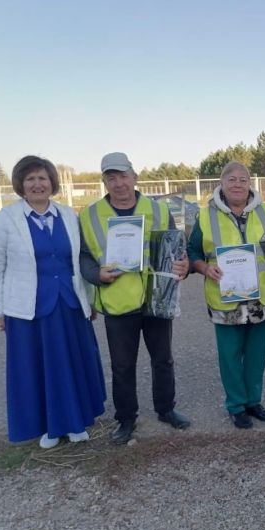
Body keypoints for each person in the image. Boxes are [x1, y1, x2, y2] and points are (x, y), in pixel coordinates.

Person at [0, 155, 106, 449]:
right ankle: (50, 427)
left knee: (72, 363)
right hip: (30, 310)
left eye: (42, 178)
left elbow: (78, 261)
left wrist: (89, 302)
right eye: (30, 179)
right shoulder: (5, 220)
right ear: (20, 185)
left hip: (68, 305)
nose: (37, 184)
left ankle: (75, 422)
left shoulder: (67, 215)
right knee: (39, 368)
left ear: (52, 182)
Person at [79, 152, 190, 444]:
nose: (118, 183)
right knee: (122, 365)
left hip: (156, 299)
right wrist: (96, 275)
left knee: (163, 359)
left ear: (134, 176)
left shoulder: (158, 209)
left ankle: (166, 410)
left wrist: (183, 263)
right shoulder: (89, 215)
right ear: (104, 181)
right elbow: (84, 257)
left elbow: (176, 249)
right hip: (117, 301)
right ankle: (126, 419)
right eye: (111, 177)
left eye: (123, 176)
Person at [188, 161, 265, 429]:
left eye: (243, 180)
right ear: (221, 184)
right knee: (229, 355)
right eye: (232, 180)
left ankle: (254, 402)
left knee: (256, 355)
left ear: (250, 184)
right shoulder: (205, 216)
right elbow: (192, 252)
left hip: (261, 297)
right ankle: (236, 406)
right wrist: (204, 267)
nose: (237, 184)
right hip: (224, 298)